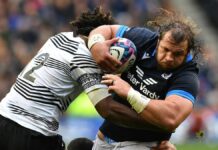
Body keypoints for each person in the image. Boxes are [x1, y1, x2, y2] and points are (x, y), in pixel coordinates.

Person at [0, 7, 176, 150]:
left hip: (3, 117)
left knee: (81, 146)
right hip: (31, 133)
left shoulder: (58, 38)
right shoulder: (84, 58)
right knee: (82, 147)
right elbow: (108, 110)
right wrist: (156, 127)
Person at [88, 9, 203, 150]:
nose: (169, 58)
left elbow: (171, 117)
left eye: (178, 54)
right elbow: (107, 29)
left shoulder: (187, 76)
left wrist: (129, 93)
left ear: (187, 53)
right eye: (165, 49)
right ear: (158, 41)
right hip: (103, 139)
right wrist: (96, 45)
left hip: (142, 145)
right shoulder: (144, 39)